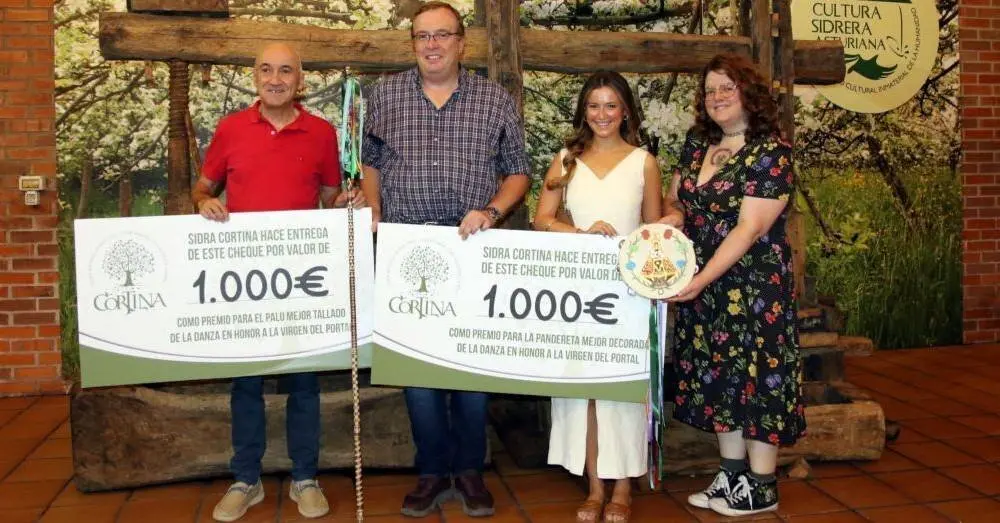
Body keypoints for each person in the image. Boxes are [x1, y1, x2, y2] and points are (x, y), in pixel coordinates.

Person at [359, 1, 531, 518]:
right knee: (417, 373)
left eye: (442, 35)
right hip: (404, 248)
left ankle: (471, 471)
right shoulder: (382, 97)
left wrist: (493, 210)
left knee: (471, 367)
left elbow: (518, 172)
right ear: (412, 43)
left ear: (462, 43)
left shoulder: (495, 100)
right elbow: (369, 164)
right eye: (421, 36)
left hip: (471, 247)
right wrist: (372, 208)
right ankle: (431, 471)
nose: (431, 45)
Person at [191, 42, 365, 522]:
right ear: (255, 78)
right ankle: (245, 480)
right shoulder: (230, 129)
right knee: (245, 385)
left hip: (300, 281)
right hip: (245, 282)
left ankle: (304, 477)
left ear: (299, 80)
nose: (275, 79)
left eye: (285, 71)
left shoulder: (323, 133)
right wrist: (203, 202)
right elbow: (203, 187)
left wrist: (344, 202)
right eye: (266, 70)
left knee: (303, 384)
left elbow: (330, 196)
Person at [661, 53, 804, 517]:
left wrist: (699, 280)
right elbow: (675, 197)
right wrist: (675, 217)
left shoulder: (771, 153)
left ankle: (762, 487)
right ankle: (731, 476)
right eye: (709, 90)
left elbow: (749, 230)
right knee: (718, 376)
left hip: (753, 287)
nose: (717, 97)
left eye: (727, 87)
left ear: (749, 93)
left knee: (756, 377)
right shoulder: (697, 143)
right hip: (705, 287)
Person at [533, 71, 663, 523]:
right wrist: (581, 233)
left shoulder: (644, 161)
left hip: (628, 290)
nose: (602, 115)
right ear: (583, 111)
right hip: (579, 286)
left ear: (625, 109)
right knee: (584, 390)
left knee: (623, 389)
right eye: (593, 106)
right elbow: (541, 219)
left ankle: (623, 488)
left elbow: (653, 230)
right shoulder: (567, 159)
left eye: (611, 105)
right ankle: (593, 486)